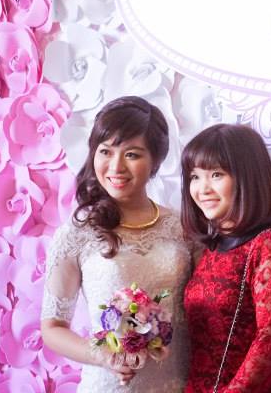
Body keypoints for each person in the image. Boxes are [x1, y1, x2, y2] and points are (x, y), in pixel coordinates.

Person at [41, 96, 194, 391]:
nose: (116, 166)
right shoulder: (76, 234)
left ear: (156, 160)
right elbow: (52, 328)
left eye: (132, 154)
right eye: (105, 151)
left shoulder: (182, 229)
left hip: (176, 384)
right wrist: (103, 356)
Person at [181, 124, 271, 393]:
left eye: (216, 174)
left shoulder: (268, 246)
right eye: (195, 176)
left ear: (247, 177)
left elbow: (270, 338)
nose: (202, 188)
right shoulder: (209, 250)